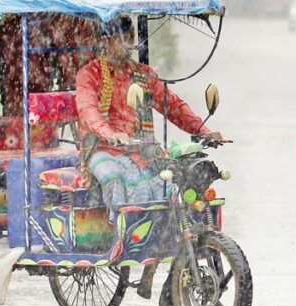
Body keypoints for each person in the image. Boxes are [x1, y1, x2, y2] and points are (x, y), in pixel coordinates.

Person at [75, 16, 222, 219]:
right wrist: (110, 133)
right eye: (121, 39)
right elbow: (87, 110)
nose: (128, 44)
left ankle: (177, 233)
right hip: (103, 151)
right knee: (114, 178)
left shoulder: (144, 75)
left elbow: (173, 105)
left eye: (131, 37)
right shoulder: (89, 75)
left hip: (145, 151)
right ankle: (123, 238)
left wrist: (203, 131)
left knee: (178, 178)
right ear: (105, 41)